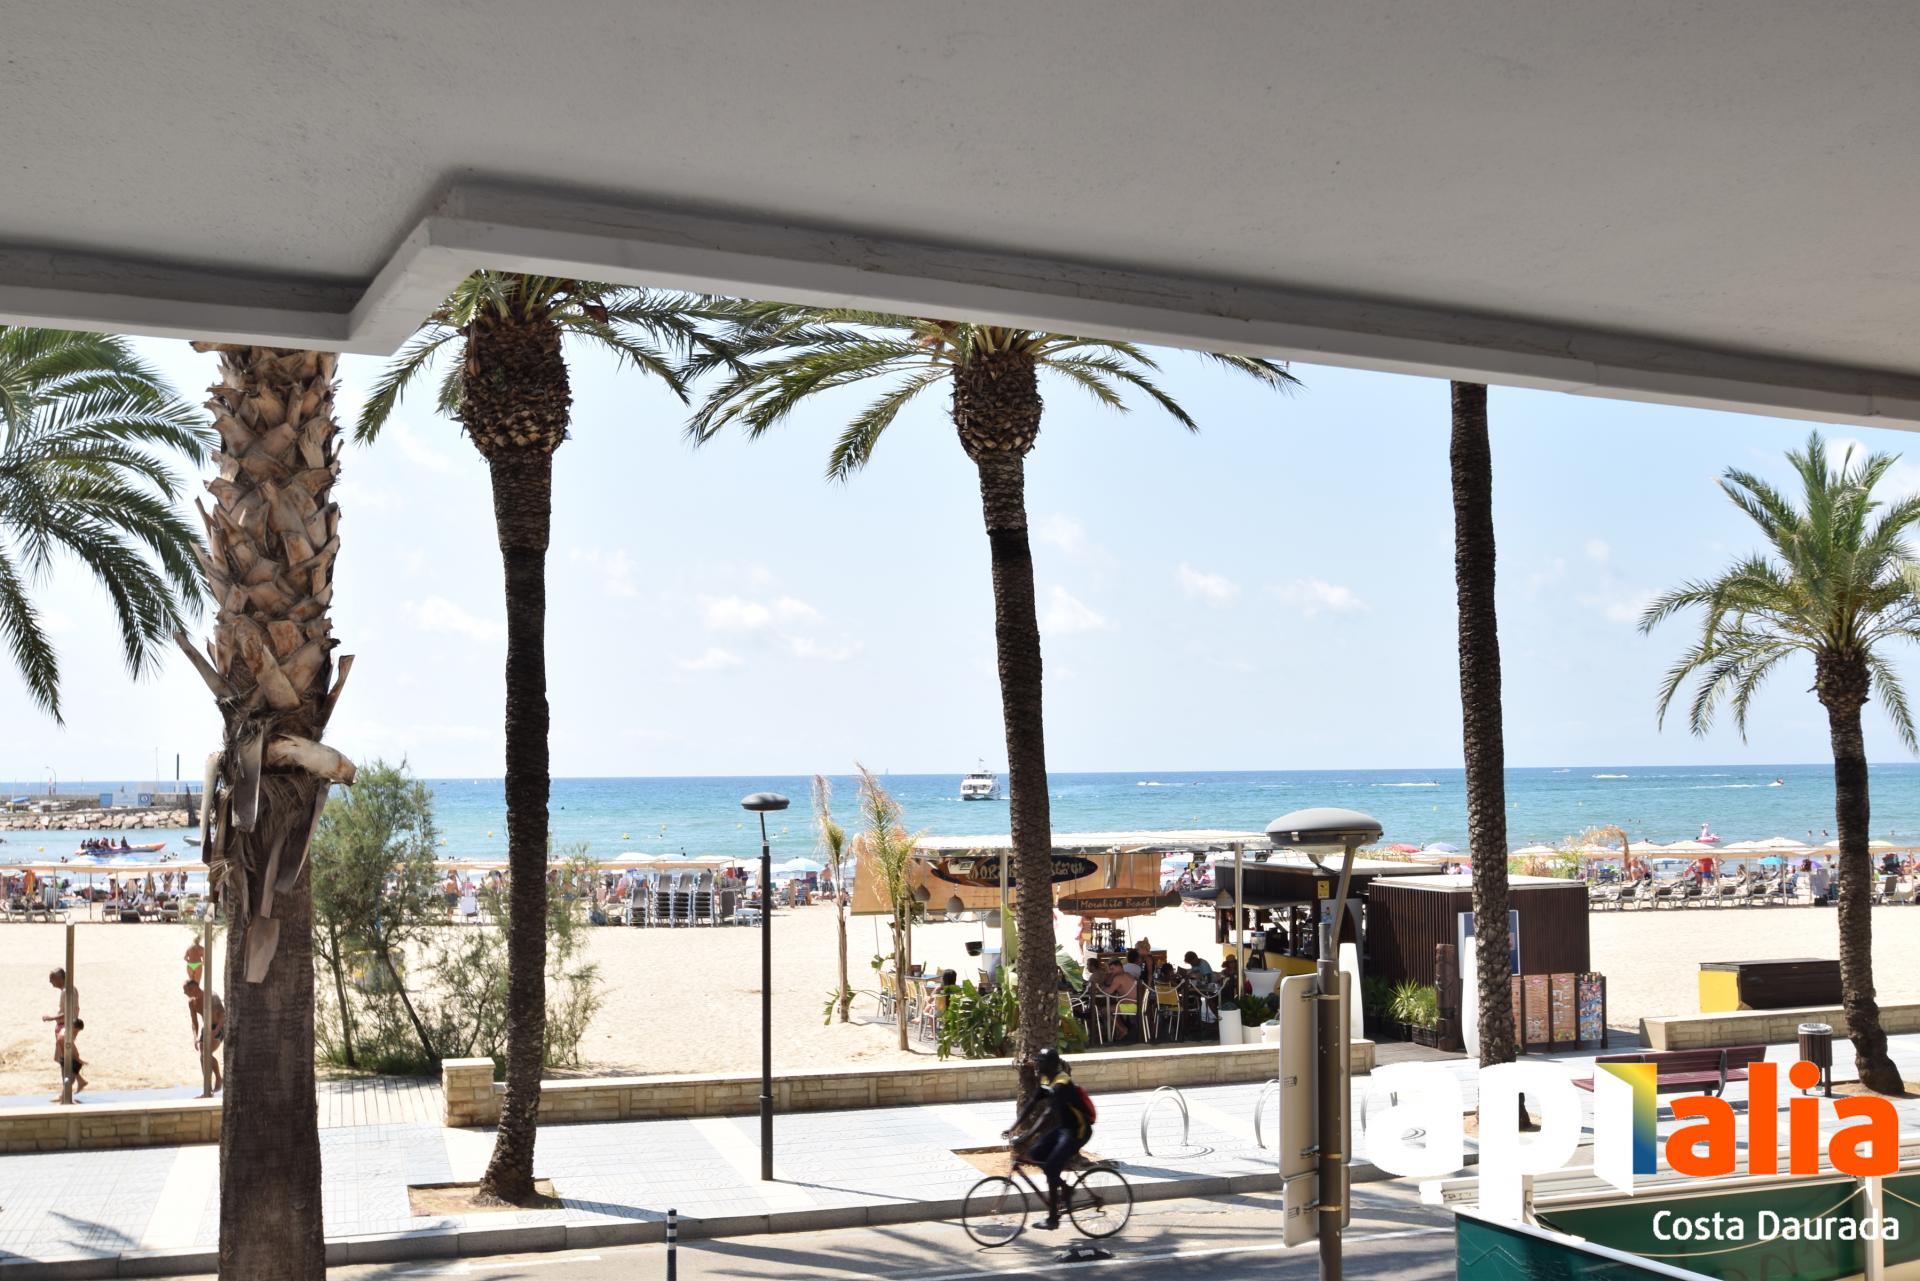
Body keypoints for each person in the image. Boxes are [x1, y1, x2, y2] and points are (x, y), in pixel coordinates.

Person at [1004, 1048, 1094, 1231]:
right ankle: (1065, 1188)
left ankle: (1053, 1219)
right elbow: (1032, 1103)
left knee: (1052, 1168)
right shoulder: (1047, 1080)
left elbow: (1047, 1115)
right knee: (1036, 1152)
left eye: (1041, 1062)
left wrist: (1026, 1137)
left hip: (1078, 1131)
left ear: (1051, 1065)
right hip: (1063, 1129)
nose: (1037, 1066)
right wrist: (1013, 1128)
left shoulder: (1062, 1084)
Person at [43, 967, 84, 1098]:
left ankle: (65, 1093)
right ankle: (78, 1081)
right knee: (62, 1058)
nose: (50, 982)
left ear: (60, 977)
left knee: (64, 1059)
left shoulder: (68, 991)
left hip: (66, 1027)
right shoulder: (67, 990)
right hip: (64, 1026)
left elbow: (68, 1012)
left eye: (52, 979)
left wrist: (51, 1018)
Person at [184, 979, 225, 1092]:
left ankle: (218, 1078)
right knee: (203, 1056)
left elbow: (223, 1015)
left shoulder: (211, 996)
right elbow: (194, 1022)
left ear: (194, 988)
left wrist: (216, 1030)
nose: (184, 993)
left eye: (186, 990)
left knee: (207, 1053)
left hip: (219, 1026)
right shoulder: (192, 1002)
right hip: (206, 1027)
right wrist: (195, 1037)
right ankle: (207, 1088)